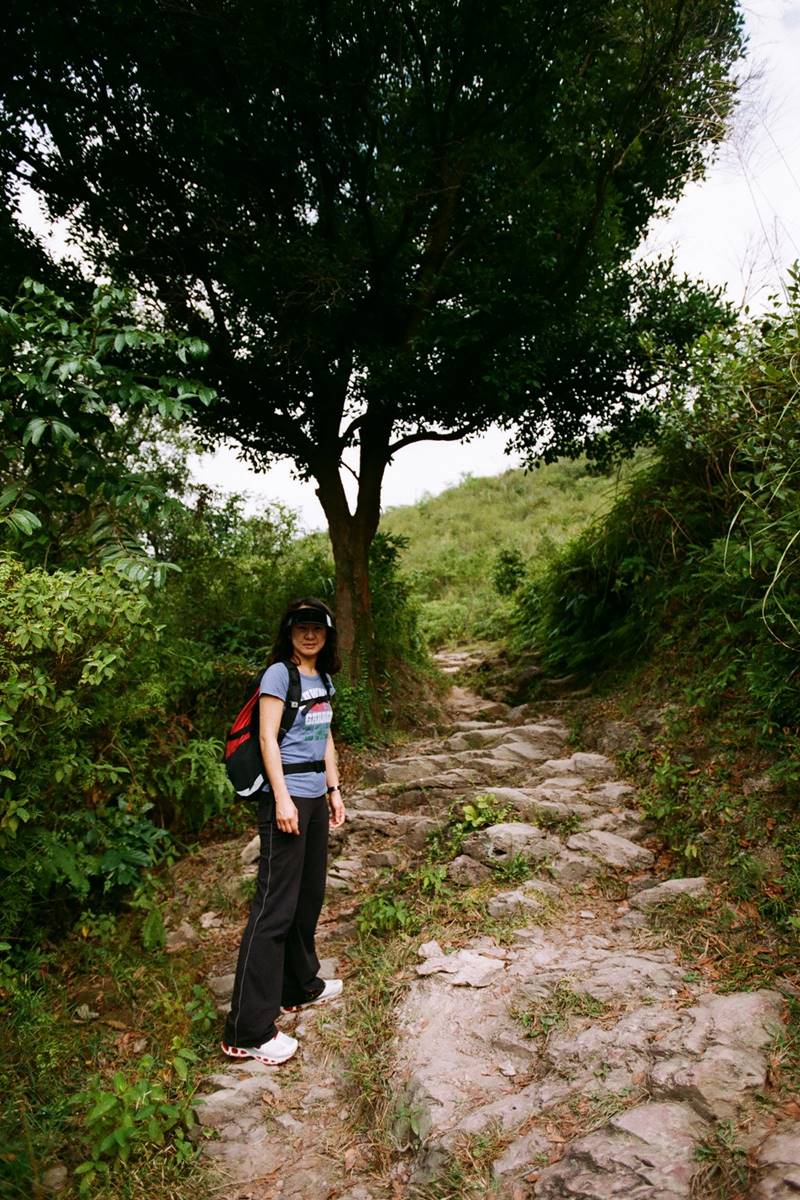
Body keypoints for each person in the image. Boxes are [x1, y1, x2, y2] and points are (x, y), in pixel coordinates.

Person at [221, 597, 346, 1065]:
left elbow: (325, 736)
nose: (309, 635)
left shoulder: (323, 679)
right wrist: (281, 799)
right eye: (301, 627)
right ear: (289, 632)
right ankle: (247, 1030)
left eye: (317, 628)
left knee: (308, 897)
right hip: (288, 797)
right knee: (274, 909)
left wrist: (334, 789)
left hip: (314, 796)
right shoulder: (279, 674)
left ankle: (298, 986)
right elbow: (267, 737)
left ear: (328, 634)